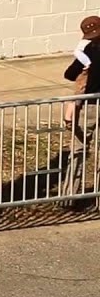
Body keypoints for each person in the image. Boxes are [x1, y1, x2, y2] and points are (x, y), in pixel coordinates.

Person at [61, 16, 100, 207]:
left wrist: (85, 67)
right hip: (91, 103)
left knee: (79, 149)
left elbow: (69, 74)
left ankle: (69, 196)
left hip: (89, 104)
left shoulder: (88, 50)